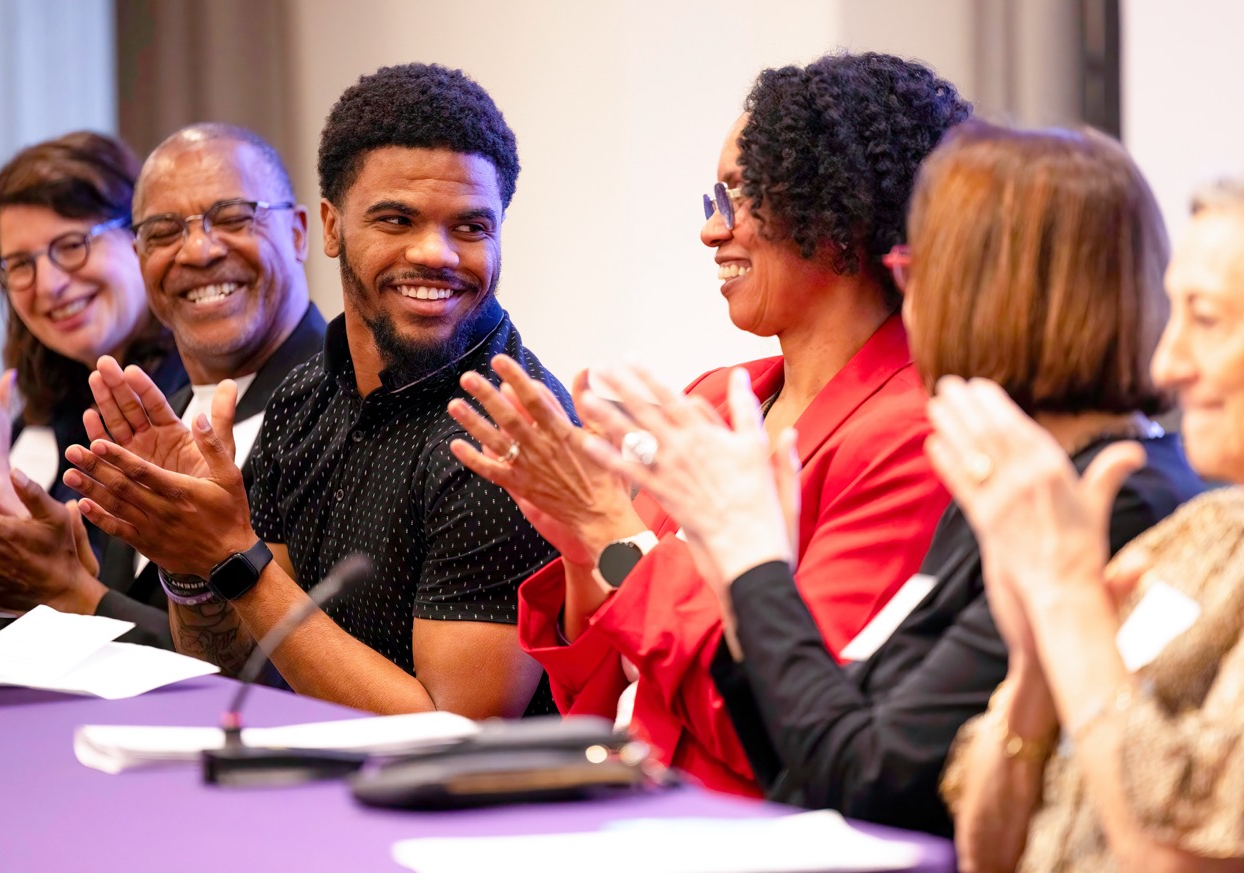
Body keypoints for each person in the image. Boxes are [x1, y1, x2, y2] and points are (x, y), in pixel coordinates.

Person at [564, 121, 1205, 836]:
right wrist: (732, 569)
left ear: (995, 295)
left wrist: (750, 561)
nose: (907, 299)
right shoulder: (1023, 477)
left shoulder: (1097, 500)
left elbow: (867, 776)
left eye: (916, 268)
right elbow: (816, 742)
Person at [446, 52, 969, 796]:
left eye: (739, 195)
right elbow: (594, 696)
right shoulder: (716, 400)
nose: (710, 232)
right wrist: (576, 537)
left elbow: (785, 728)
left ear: (842, 211)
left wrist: (607, 531)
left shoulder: (916, 436)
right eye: (711, 198)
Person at [65, 64, 563, 718]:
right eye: (396, 219)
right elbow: (238, 669)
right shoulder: (304, 396)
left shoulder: (506, 430)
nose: (435, 253)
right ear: (330, 228)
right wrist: (188, 560)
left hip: (457, 811)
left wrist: (231, 558)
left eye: (471, 227)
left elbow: (454, 731)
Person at [932, 175, 1244, 871]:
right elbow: (984, 850)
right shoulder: (1197, 534)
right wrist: (1036, 668)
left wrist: (1069, 605)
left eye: (1208, 319)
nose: (1169, 363)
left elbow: (1173, 861)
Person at [78, 122, 327, 648]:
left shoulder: (345, 406)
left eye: (233, 217)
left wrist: (75, 597)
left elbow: (293, 665)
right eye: (164, 232)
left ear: (300, 232)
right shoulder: (155, 417)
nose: (197, 251)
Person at [0, 131, 186, 615]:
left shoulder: (191, 398)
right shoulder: (47, 403)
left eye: (71, 245)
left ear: (139, 235)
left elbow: (112, 603)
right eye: (20, 264)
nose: (50, 285)